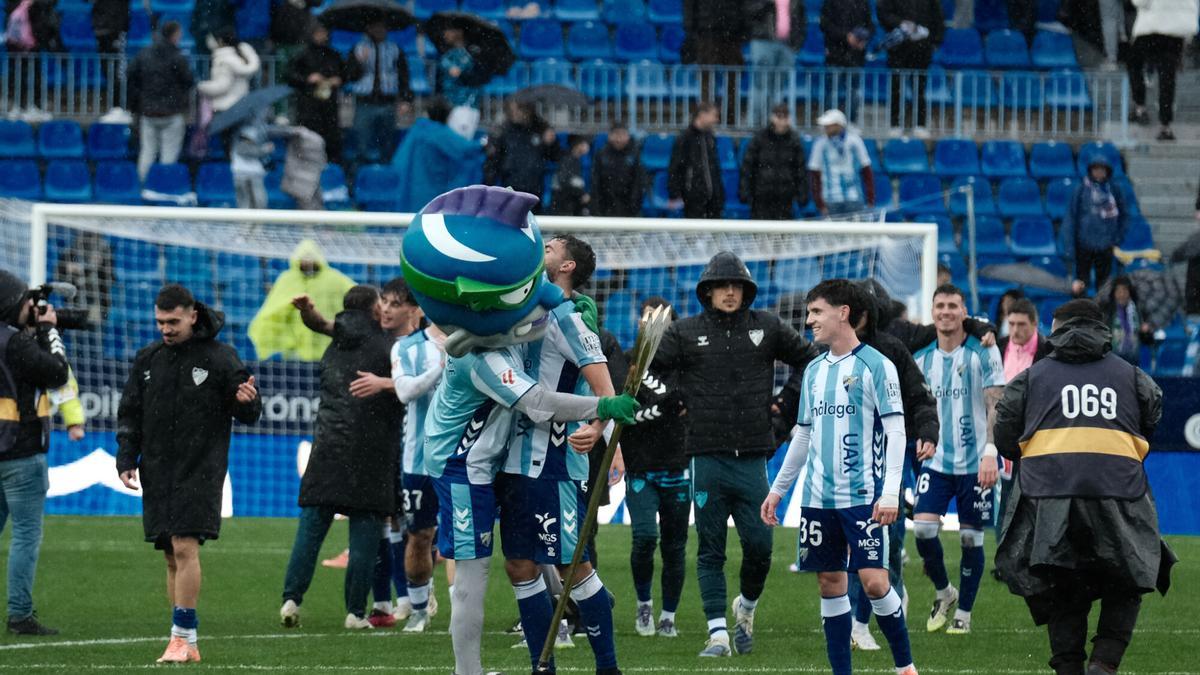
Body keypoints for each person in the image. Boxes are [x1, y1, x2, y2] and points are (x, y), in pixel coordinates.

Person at [651, 250, 819, 657]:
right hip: (706, 455)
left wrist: (785, 404)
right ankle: (718, 635)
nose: (729, 292)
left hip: (754, 457)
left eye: (737, 286)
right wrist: (675, 401)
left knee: (761, 548)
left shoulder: (768, 326)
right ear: (707, 292)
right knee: (710, 548)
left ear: (747, 291)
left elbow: (811, 361)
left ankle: (746, 607)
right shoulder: (684, 332)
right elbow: (647, 371)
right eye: (721, 286)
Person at [994, 298, 1174, 675]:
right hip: (1120, 493)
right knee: (1127, 579)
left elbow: (1005, 434)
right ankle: (1103, 664)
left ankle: (1070, 669)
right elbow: (1150, 419)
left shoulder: (1032, 377)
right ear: (1100, 328)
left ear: (1057, 329)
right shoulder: (1132, 375)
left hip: (1049, 497)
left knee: (1063, 585)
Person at [761, 279, 918, 675]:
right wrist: (778, 490)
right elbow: (803, 435)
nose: (809, 320)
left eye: (817, 312)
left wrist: (890, 492)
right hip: (817, 498)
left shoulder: (877, 365)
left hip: (863, 495)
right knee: (830, 582)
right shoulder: (813, 370)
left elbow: (897, 431)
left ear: (843, 313)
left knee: (875, 583)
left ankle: (905, 667)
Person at [497, 234, 624, 675]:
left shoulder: (570, 320)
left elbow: (607, 392)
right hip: (512, 460)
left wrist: (596, 428)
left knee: (573, 565)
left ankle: (608, 667)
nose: (541, 250)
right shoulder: (521, 311)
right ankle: (542, 667)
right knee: (519, 565)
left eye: (550, 248)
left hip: (553, 460)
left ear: (567, 267)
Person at [116, 284, 262, 663]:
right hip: (158, 469)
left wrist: (248, 402)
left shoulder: (220, 357)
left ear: (192, 316)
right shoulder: (148, 359)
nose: (166, 329)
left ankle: (181, 637)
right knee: (170, 554)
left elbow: (248, 408)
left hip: (201, 468)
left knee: (184, 546)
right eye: (160, 322)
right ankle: (186, 640)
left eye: (173, 321)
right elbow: (130, 412)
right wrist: (126, 457)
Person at [279, 285, 404, 630]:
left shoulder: (338, 338)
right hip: (372, 453)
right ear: (374, 309)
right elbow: (409, 389)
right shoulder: (388, 347)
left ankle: (291, 598)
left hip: (328, 449)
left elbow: (318, 323)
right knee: (364, 535)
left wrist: (307, 311)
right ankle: (355, 612)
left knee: (310, 530)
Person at [911, 284, 1005, 635]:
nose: (946, 311)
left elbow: (996, 403)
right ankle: (944, 592)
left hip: (976, 460)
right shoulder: (921, 357)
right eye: (940, 306)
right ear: (932, 312)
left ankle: (964, 612)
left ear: (964, 312)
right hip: (936, 460)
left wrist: (991, 452)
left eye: (953, 305)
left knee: (970, 539)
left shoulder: (984, 350)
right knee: (923, 530)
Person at [0, 270, 69, 636]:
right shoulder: (15, 342)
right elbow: (57, 372)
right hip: (22, 450)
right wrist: (48, 330)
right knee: (26, 535)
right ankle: (20, 614)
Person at [621, 297, 689, 639]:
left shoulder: (685, 364)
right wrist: (664, 407)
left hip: (677, 465)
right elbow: (625, 414)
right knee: (645, 537)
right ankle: (644, 603)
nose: (654, 326)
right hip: (640, 467)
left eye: (661, 320)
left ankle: (669, 616)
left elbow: (688, 408)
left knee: (675, 546)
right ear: (639, 324)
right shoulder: (627, 363)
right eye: (647, 319)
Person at [389, 283, 446, 631]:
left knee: (466, 541)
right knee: (420, 535)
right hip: (420, 460)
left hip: (468, 459)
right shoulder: (407, 347)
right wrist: (441, 366)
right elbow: (405, 391)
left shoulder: (477, 342)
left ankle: (464, 611)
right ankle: (420, 609)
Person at [992, 298, 1050, 550]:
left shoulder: (1048, 352)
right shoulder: (999, 347)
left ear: (1034, 324)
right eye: (1011, 323)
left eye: (1021, 324)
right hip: (1006, 435)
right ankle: (1004, 555)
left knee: (1037, 499)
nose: (1015, 330)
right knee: (1005, 497)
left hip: (1038, 437)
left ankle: (1036, 553)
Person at [248, 239, 357, 361]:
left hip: (326, 344)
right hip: (295, 348)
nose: (307, 262)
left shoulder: (334, 278)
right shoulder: (287, 279)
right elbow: (274, 307)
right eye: (304, 258)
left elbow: (357, 295)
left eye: (310, 258)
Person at [391, 95, 485, 216]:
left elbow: (397, 161)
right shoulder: (439, 133)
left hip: (410, 193)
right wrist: (484, 143)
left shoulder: (416, 130)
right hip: (431, 195)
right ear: (448, 115)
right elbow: (466, 149)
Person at [127, 21, 195, 181]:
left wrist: (137, 102)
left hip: (148, 111)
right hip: (172, 112)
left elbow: (131, 75)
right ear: (174, 35)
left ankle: (143, 185)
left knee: (147, 152)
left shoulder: (144, 54)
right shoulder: (177, 57)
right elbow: (189, 81)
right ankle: (164, 185)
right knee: (169, 154)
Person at [287, 21, 359, 167]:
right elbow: (289, 75)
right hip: (308, 107)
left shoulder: (334, 55)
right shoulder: (302, 54)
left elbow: (349, 74)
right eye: (318, 32)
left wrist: (339, 79)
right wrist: (307, 79)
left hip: (329, 108)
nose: (322, 36)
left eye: (324, 33)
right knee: (307, 140)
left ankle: (331, 170)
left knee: (331, 142)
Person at [1126, 0, 1199, 140]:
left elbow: (1140, 2)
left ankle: (1140, 106)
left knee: (1134, 63)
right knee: (1167, 76)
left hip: (1151, 27)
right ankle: (1165, 126)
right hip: (1177, 30)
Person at [877, 0, 944, 137]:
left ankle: (920, 124)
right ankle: (895, 124)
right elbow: (883, 14)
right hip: (898, 49)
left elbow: (937, 18)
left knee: (919, 88)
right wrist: (901, 24)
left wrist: (932, 39)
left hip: (921, 50)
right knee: (896, 87)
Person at [1063, 157, 1128, 295]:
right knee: (1081, 284)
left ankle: (1101, 308)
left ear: (1107, 171)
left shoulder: (1114, 190)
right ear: (1090, 171)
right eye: (1095, 169)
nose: (1099, 173)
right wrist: (1070, 244)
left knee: (1104, 286)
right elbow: (1071, 217)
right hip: (1084, 245)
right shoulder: (1081, 189)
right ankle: (1081, 307)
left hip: (1105, 245)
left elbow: (1124, 215)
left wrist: (1117, 238)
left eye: (1102, 169)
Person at [350, 21, 412, 163]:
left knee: (388, 143)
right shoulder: (358, 49)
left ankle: (386, 171)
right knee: (362, 142)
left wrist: (405, 99)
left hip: (387, 102)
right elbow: (349, 76)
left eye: (382, 27)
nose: (379, 30)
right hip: (364, 102)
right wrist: (359, 62)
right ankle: (363, 172)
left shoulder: (395, 49)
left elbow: (403, 75)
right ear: (368, 29)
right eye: (375, 27)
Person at [484, 99, 561, 207]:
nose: (515, 112)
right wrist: (489, 188)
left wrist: (551, 144)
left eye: (519, 108)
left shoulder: (541, 130)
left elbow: (555, 157)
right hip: (511, 186)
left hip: (535, 188)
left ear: (529, 110)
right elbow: (492, 162)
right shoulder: (503, 131)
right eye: (512, 109)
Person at [739, 102, 809, 220]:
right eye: (778, 116)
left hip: (785, 198)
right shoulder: (759, 139)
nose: (781, 121)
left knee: (783, 230)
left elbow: (800, 170)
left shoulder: (794, 141)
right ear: (772, 117)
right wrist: (744, 191)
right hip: (761, 197)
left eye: (785, 117)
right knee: (761, 228)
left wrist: (802, 194)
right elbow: (747, 167)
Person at [681, 0, 746, 119]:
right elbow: (690, 6)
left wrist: (743, 29)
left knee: (732, 75)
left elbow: (743, 6)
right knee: (706, 75)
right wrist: (691, 32)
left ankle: (730, 115)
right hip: (707, 31)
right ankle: (706, 115)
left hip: (731, 31)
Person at [746, 0, 805, 126]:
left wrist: (797, 43)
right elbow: (749, 12)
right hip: (763, 42)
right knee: (760, 85)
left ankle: (775, 123)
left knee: (778, 86)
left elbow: (801, 20)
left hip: (787, 45)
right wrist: (767, 3)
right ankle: (754, 123)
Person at [807, 109, 875, 217]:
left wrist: (870, 199)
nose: (826, 128)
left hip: (854, 197)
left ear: (839, 125)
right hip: (830, 198)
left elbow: (866, 170)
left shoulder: (854, 141)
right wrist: (819, 204)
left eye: (829, 125)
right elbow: (814, 174)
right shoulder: (820, 144)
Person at [667, 102, 724, 219]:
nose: (716, 120)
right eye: (714, 115)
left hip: (713, 199)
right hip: (693, 198)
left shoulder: (710, 137)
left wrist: (719, 193)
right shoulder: (685, 138)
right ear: (702, 114)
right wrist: (675, 194)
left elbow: (714, 168)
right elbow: (675, 167)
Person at [197, 28, 261, 115]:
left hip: (224, 107)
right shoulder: (239, 58)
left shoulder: (224, 60)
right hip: (239, 106)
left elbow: (221, 86)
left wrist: (200, 86)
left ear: (220, 41)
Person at [590, 122, 644, 218]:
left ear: (628, 136)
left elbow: (637, 182)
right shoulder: (601, 155)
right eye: (616, 134)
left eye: (622, 134)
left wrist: (634, 205)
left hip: (628, 206)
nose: (619, 138)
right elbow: (596, 182)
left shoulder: (634, 155)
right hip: (605, 206)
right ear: (609, 136)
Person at [436, 26, 482, 139]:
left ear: (459, 31)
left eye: (450, 29)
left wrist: (463, 67)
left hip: (466, 106)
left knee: (460, 142)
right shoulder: (446, 55)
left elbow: (476, 77)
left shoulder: (474, 54)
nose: (445, 33)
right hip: (449, 105)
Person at [1100, 276, 1152, 364]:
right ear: (1113, 293)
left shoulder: (1139, 310)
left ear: (1130, 292)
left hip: (1134, 359)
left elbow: (1148, 341)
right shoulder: (1108, 311)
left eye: (1125, 290)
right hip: (1113, 359)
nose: (1122, 294)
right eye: (1118, 291)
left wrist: (1146, 332)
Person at [231, 114, 273, 209]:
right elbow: (244, 150)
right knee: (245, 203)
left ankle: (257, 218)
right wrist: (264, 150)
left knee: (259, 202)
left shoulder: (260, 130)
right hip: (241, 173)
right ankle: (246, 218)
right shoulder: (238, 132)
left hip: (254, 173)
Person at [820, 0, 873, 68]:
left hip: (856, 55)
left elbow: (870, 26)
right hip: (835, 52)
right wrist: (846, 36)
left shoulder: (863, 2)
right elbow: (825, 24)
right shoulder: (830, 2)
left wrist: (864, 39)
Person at [550, 135, 591, 216]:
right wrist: (581, 194)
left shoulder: (576, 160)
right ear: (577, 146)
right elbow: (564, 181)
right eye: (584, 144)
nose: (587, 147)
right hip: (563, 204)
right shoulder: (567, 160)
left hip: (570, 203)